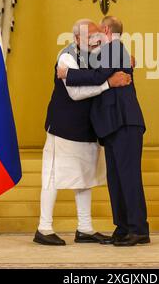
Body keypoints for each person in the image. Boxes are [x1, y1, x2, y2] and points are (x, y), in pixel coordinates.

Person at [34, 19, 131, 246]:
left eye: (97, 36)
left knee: (85, 179)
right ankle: (44, 228)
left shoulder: (98, 56)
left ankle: (85, 228)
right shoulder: (67, 57)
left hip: (87, 128)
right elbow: (76, 93)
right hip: (63, 128)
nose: (95, 40)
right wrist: (109, 84)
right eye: (90, 37)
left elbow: (115, 66)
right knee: (51, 177)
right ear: (77, 39)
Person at [59, 16, 150, 247]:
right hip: (111, 125)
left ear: (106, 30)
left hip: (124, 123)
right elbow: (97, 70)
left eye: (98, 31)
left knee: (128, 177)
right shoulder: (108, 53)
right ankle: (123, 227)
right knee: (116, 179)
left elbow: (98, 77)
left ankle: (138, 229)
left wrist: (68, 74)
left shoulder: (115, 47)